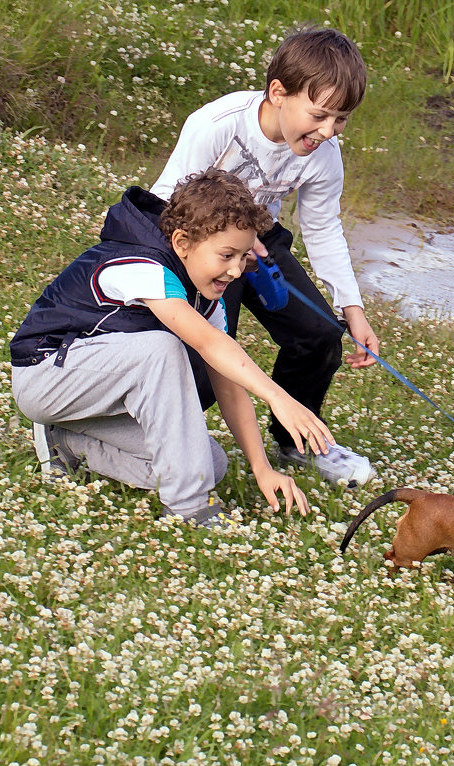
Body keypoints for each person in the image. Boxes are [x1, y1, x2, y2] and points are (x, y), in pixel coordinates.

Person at [10, 169, 334, 525]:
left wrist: (262, 468)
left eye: (243, 257)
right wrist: (278, 397)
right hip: (44, 378)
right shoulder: (142, 266)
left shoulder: (205, 294)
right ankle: (189, 508)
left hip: (95, 397)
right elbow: (209, 343)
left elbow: (228, 383)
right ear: (182, 242)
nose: (237, 270)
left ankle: (66, 443)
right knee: (161, 349)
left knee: (207, 464)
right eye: (227, 255)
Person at [150, 25, 378, 488]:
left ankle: (297, 444)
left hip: (262, 243)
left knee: (318, 336)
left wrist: (352, 308)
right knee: (212, 355)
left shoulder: (323, 153)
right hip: (200, 245)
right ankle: (137, 434)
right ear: (278, 92)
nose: (327, 132)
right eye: (319, 115)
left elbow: (323, 227)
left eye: (340, 121)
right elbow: (164, 205)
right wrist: (207, 254)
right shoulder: (216, 125)